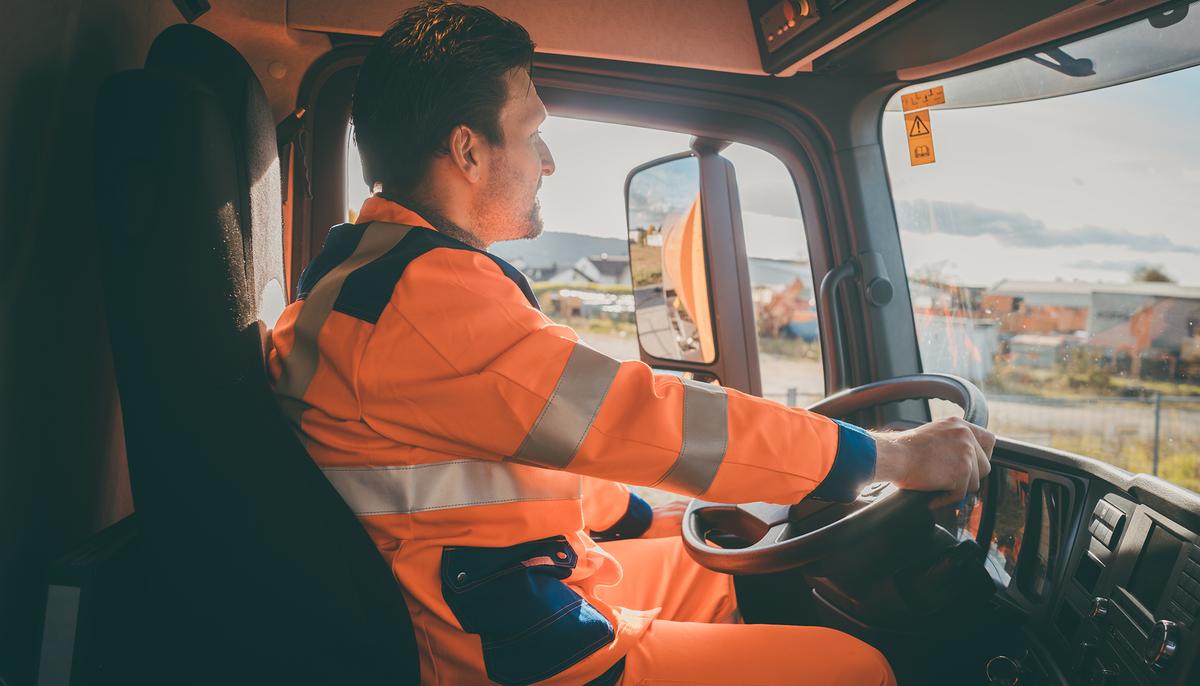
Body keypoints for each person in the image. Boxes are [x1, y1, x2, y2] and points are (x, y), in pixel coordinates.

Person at [267, 3, 995, 684]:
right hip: (505, 643)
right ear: (468, 150)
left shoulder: (364, 275)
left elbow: (521, 447)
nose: (547, 161)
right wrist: (892, 455)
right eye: (532, 133)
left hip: (491, 585)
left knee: (737, 572)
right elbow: (640, 417)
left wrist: (648, 516)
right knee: (853, 668)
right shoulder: (427, 300)